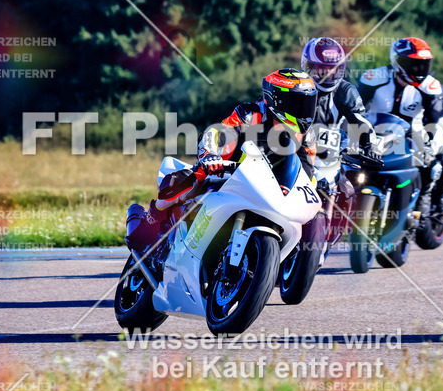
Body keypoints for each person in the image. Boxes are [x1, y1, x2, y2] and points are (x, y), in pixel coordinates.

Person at [125, 69, 319, 256]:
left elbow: (306, 167)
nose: (304, 111)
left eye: (307, 104)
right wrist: (210, 155)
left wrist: (310, 186)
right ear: (277, 99)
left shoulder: (304, 135)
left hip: (269, 189)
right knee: (180, 182)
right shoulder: (251, 114)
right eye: (297, 103)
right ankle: (148, 225)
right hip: (225, 173)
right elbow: (218, 132)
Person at [358, 37, 443, 239]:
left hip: (414, 135)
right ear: (397, 61)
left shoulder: (431, 86)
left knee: (440, 165)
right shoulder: (373, 78)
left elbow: (440, 118)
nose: (419, 69)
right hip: (376, 134)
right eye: (413, 63)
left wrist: (433, 146)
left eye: (424, 64)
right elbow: (352, 108)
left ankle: (430, 203)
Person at [300, 37, 380, 242]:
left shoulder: (346, 91)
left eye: (333, 69)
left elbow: (361, 120)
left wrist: (369, 145)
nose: (328, 74)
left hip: (331, 154)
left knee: (348, 188)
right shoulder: (297, 84)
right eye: (321, 69)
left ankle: (331, 234)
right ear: (307, 66)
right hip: (295, 148)